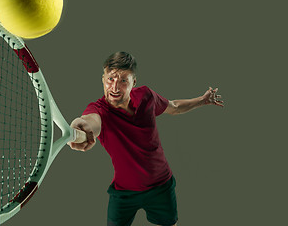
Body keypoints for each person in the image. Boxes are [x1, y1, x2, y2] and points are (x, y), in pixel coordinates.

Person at [68, 52, 224, 226]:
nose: (115, 87)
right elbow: (90, 121)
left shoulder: (146, 96)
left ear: (134, 82)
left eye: (123, 81)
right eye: (110, 79)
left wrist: (202, 101)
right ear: (103, 79)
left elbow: (174, 107)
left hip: (161, 186)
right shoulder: (99, 110)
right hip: (124, 193)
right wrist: (79, 126)